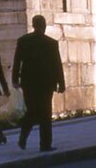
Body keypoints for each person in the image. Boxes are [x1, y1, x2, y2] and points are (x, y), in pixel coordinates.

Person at [12, 15, 65, 152]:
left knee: (32, 111)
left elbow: (17, 61)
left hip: (28, 83)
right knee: (45, 114)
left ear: (33, 25)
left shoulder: (23, 41)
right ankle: (45, 144)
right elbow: (57, 65)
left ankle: (23, 135)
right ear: (44, 25)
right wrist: (61, 83)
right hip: (46, 83)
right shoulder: (51, 43)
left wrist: (15, 79)